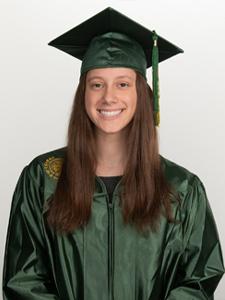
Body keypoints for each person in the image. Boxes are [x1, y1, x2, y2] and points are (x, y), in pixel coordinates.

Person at [2, 7, 224, 300]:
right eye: (97, 85)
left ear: (142, 94)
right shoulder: (42, 179)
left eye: (122, 84)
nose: (109, 97)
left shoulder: (181, 188)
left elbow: (198, 279)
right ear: (84, 93)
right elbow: (23, 281)